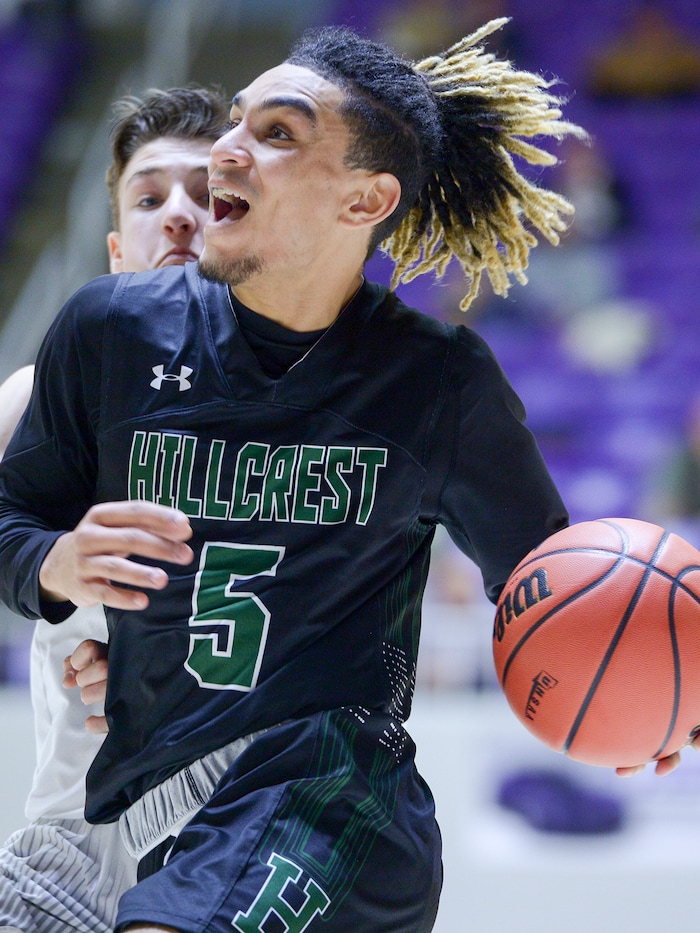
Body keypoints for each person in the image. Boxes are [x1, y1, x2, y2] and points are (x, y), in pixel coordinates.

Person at [0, 18, 667, 933]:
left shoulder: (439, 382)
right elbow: (13, 521)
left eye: (276, 133)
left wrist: (648, 693)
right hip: (142, 804)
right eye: (234, 123)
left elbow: (560, 595)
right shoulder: (109, 331)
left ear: (365, 200)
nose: (225, 151)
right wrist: (55, 563)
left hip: (329, 794)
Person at [0, 84, 229, 933]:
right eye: (150, 196)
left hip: (247, 844)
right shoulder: (37, 399)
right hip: (73, 860)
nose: (178, 214)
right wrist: (53, 570)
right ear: (115, 252)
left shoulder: (317, 409)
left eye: (208, 194)